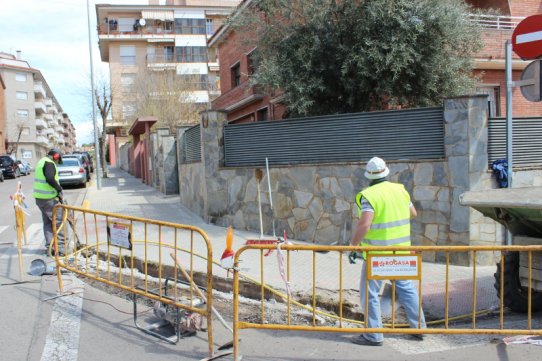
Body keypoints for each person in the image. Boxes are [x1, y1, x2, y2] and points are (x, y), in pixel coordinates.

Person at [350, 156, 426, 346]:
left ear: (369, 175)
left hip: (378, 255)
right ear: (386, 171)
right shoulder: (400, 190)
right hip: (401, 252)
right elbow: (413, 213)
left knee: (370, 294)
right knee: (407, 290)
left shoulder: (368, 195)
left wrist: (353, 246)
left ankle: (374, 335)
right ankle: (420, 329)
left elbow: (365, 223)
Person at [33, 149, 65, 256]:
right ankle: (60, 249)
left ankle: (50, 247)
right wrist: (59, 188)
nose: (57, 161)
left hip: (40, 199)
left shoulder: (41, 161)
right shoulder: (49, 164)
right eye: (58, 159)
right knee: (59, 222)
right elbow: (50, 178)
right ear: (56, 156)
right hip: (49, 199)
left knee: (47, 223)